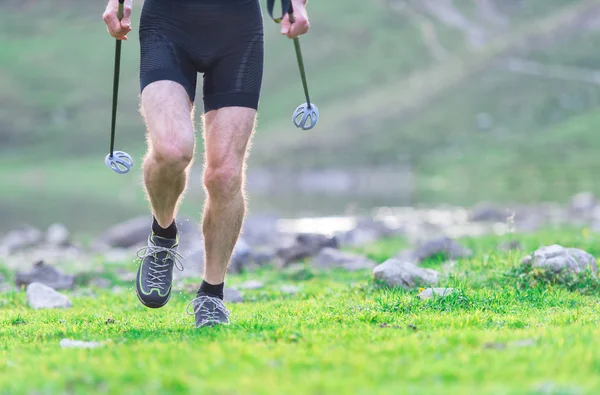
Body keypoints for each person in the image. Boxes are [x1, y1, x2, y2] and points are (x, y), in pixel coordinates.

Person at [102, 0, 310, 327]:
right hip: (168, 24)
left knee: (225, 176)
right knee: (171, 150)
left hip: (238, 31)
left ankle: (211, 295)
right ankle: (163, 235)